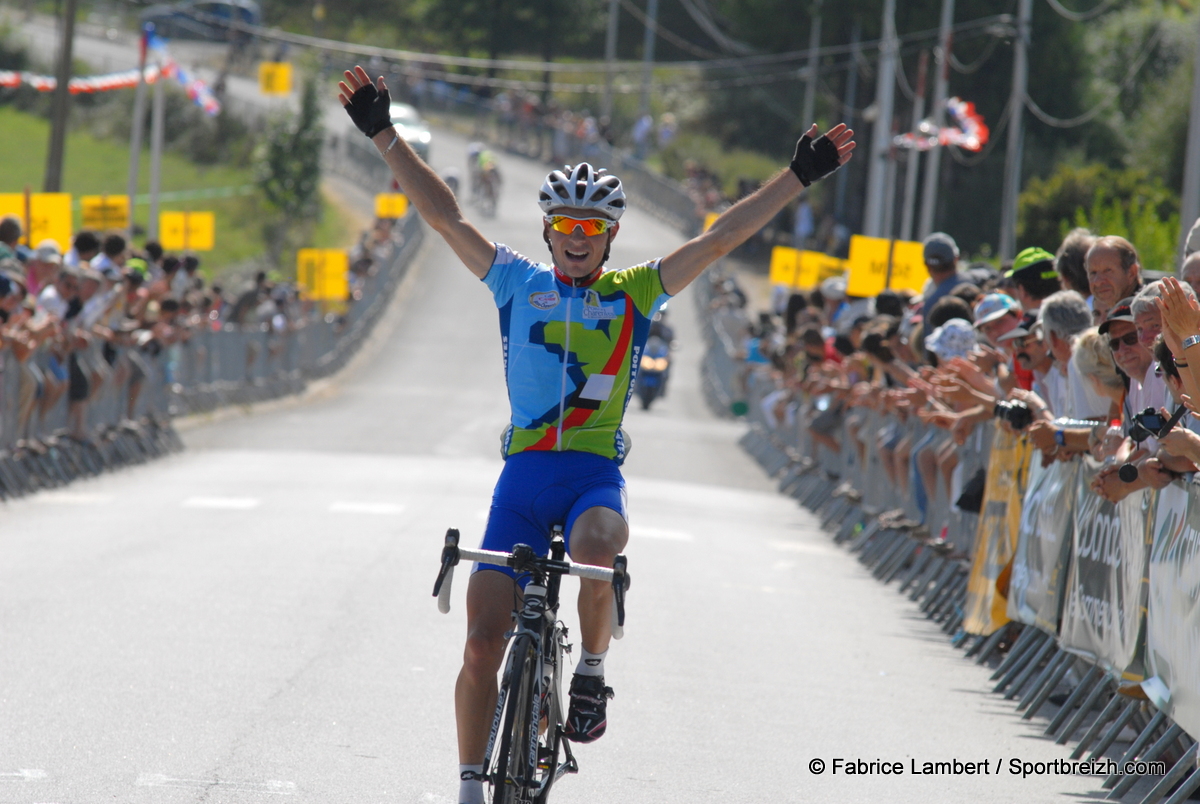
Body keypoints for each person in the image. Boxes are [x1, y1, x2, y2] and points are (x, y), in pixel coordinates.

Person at [337, 64, 855, 804]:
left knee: (597, 548)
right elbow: (447, 217)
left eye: (592, 230)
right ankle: (468, 787)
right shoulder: (516, 281)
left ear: (609, 238)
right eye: (566, 228)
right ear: (549, 231)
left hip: (589, 478)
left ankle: (589, 674)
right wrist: (385, 137)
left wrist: (796, 178)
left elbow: (722, 237)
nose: (578, 240)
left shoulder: (635, 292)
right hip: (520, 480)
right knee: (482, 643)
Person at [1085, 235, 1141, 322]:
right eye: (1093, 273)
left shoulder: (1150, 314)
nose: (1098, 282)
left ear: (1131, 272)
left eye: (1107, 270)